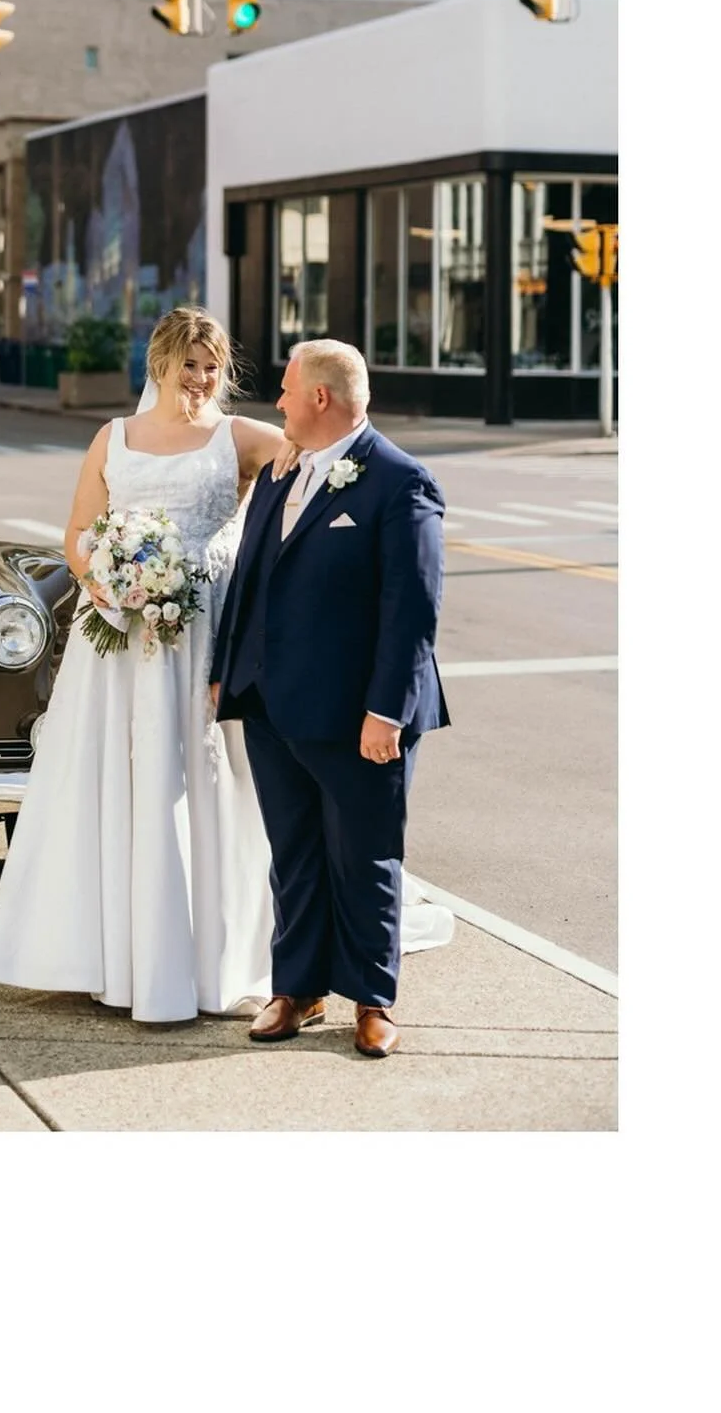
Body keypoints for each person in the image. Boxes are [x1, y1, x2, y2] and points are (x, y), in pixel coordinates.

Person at [0, 307, 285, 1022]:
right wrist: (107, 581)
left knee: (196, 774)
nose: (203, 379)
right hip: (116, 634)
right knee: (113, 772)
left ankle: (204, 953)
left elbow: (310, 455)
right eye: (190, 365)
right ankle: (106, 949)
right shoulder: (112, 438)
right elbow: (79, 532)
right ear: (160, 364)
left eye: (213, 366)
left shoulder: (237, 437)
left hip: (201, 630)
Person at [209, 339, 450, 1059]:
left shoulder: (400, 481)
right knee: (295, 853)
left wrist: (388, 712)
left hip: (357, 715)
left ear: (320, 397)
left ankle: (373, 1001)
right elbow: (250, 576)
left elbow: (413, 607)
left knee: (366, 855)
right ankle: (299, 990)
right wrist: (228, 669)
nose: (276, 402)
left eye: (285, 389)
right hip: (270, 699)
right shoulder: (284, 472)